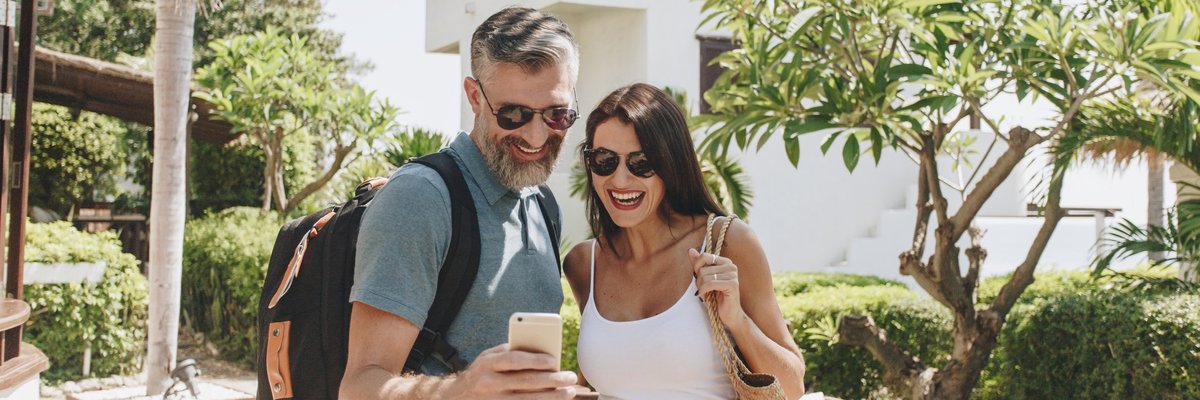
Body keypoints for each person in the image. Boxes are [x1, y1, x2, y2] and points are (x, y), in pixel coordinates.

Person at [340, 6, 581, 399]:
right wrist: (460, 389)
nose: (537, 136)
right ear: (474, 96)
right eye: (514, 114)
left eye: (557, 114)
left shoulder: (542, 204)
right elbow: (359, 387)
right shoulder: (420, 198)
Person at [563, 83, 807, 399]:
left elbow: (791, 387)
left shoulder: (728, 242)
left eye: (641, 163)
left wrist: (737, 320)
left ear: (670, 164)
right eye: (604, 160)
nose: (620, 180)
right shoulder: (585, 263)